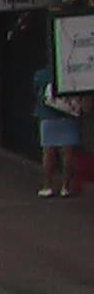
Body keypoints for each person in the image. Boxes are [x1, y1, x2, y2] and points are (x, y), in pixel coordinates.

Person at [35, 65, 83, 197]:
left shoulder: (41, 74)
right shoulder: (71, 72)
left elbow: (37, 93)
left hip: (47, 116)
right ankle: (65, 187)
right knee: (67, 153)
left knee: (48, 153)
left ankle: (47, 186)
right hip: (68, 116)